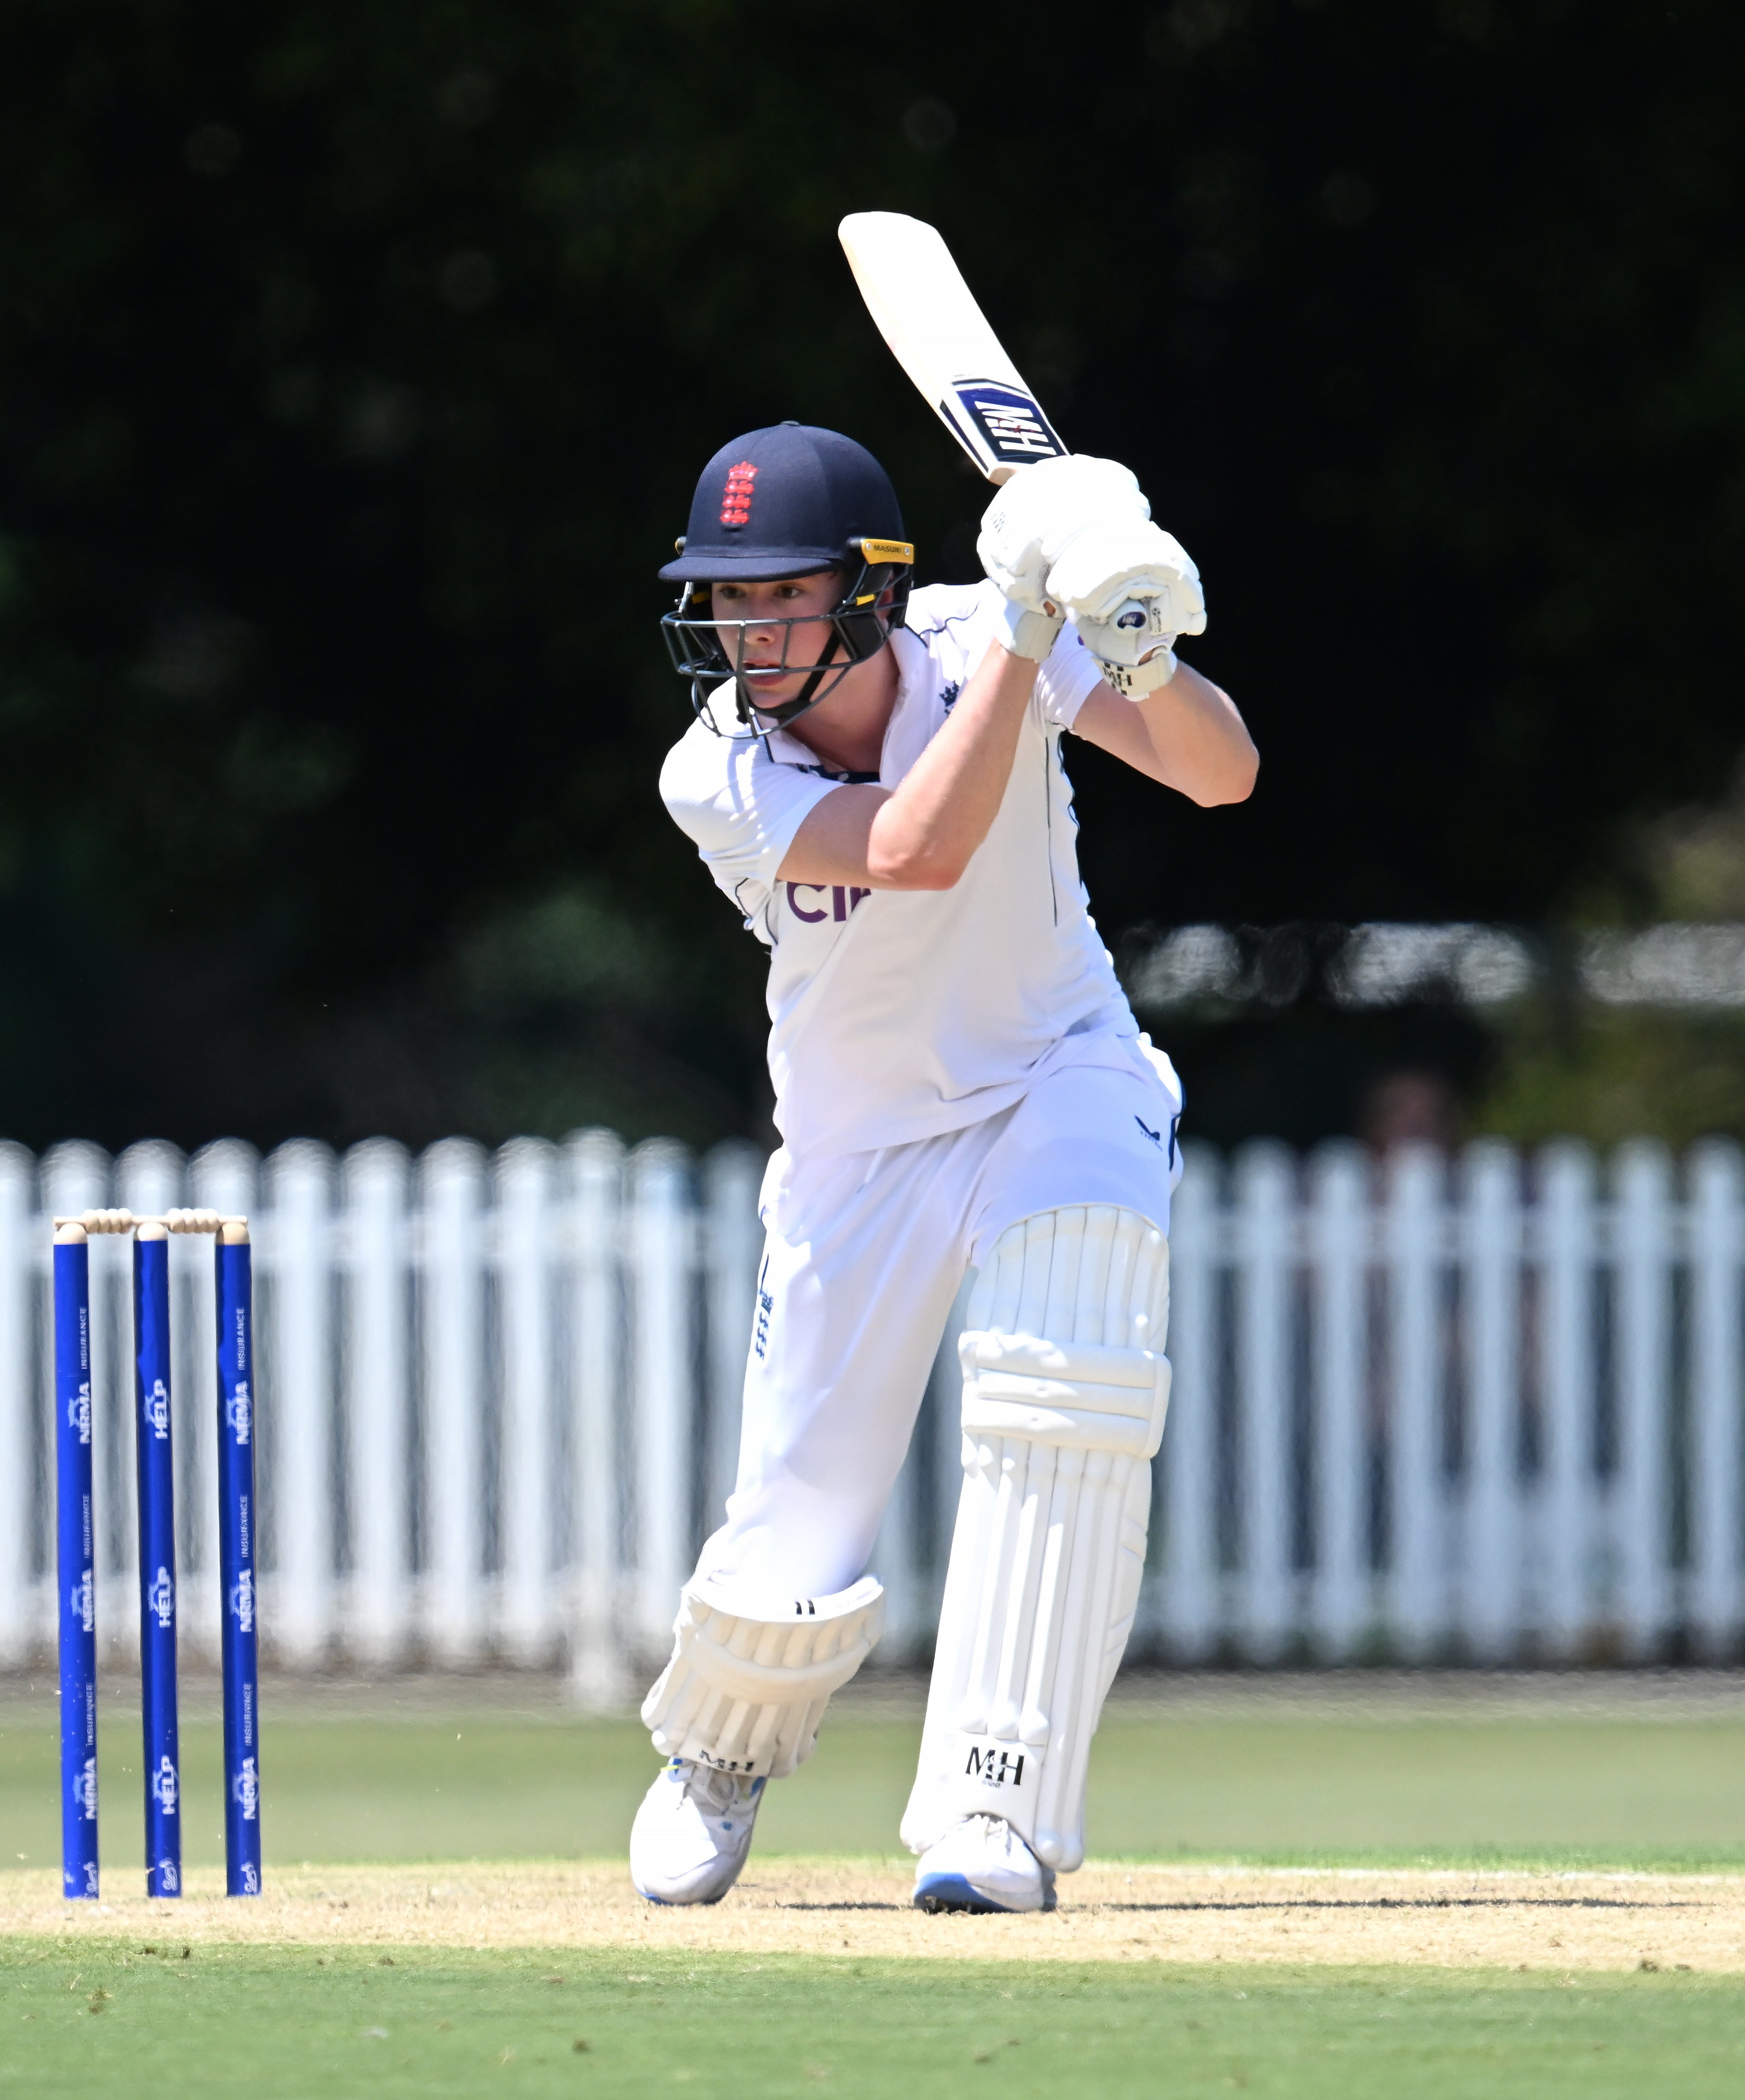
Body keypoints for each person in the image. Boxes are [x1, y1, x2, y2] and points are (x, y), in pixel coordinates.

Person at [629, 424, 1256, 1913]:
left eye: (773, 597)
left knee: (1062, 1382)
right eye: (722, 602)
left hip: (1058, 1073)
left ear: (866, 593)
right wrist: (1034, 632)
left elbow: (1220, 777)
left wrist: (1133, 633)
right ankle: (723, 1746)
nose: (740, 631)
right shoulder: (710, 769)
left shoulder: (988, 630)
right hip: (858, 1146)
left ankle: (997, 1804)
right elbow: (912, 844)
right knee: (800, 1514)